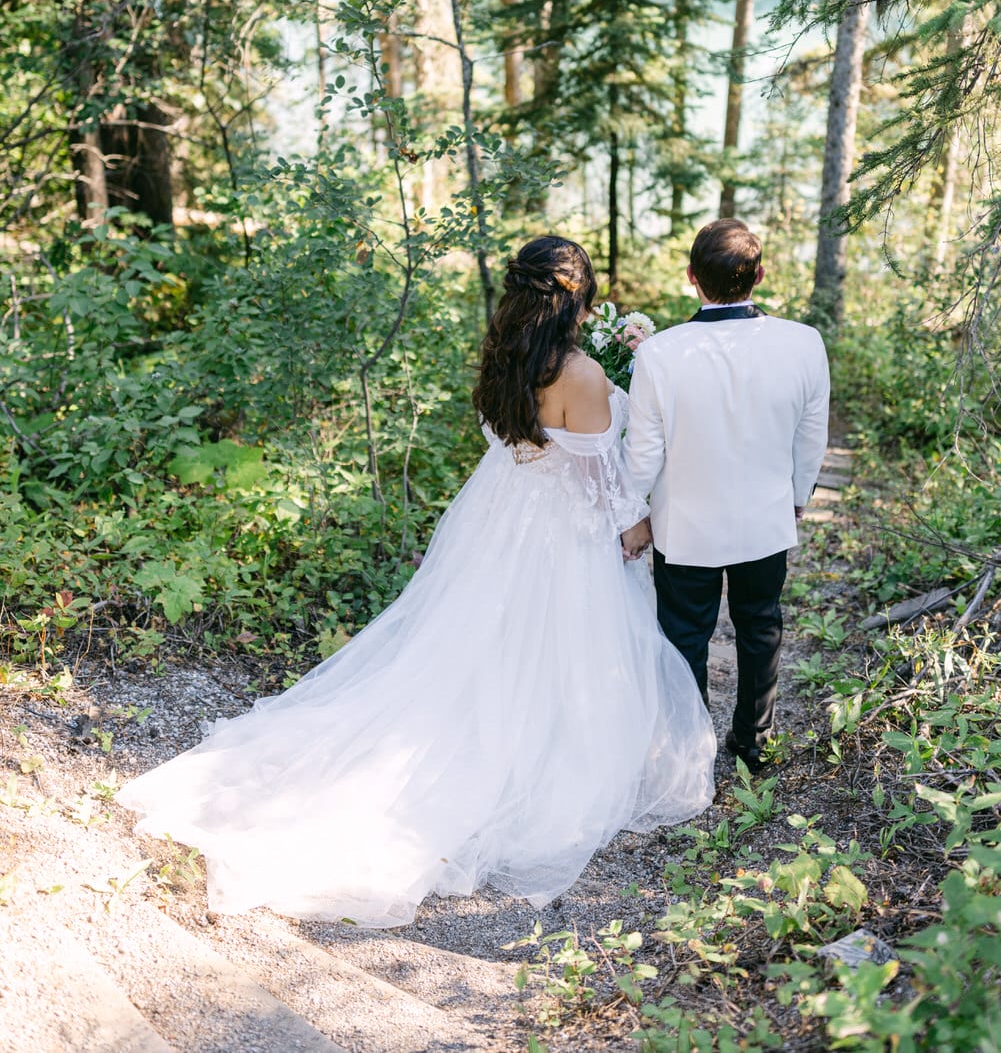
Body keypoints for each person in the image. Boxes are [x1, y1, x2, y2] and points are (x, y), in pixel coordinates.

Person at [118, 236, 716, 927]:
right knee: (554, 645)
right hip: (555, 535)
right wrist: (636, 527)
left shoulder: (503, 356)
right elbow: (597, 482)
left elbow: (515, 442)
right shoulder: (577, 374)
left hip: (500, 517)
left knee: (478, 643)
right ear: (577, 298)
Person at [624, 219, 830, 772]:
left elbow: (643, 454)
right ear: (759, 276)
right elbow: (812, 436)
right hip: (764, 518)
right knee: (760, 625)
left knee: (685, 636)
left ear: (692, 278)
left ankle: (691, 751)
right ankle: (752, 743)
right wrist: (797, 497)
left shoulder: (659, 354)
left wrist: (633, 512)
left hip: (684, 525)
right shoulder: (804, 342)